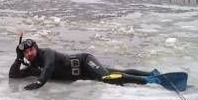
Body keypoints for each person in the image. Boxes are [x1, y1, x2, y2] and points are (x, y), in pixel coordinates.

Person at [9, 38, 155, 90]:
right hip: (83, 75)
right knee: (114, 73)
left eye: (31, 49)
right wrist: (18, 59)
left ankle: (148, 80)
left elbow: (49, 67)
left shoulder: (47, 53)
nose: (29, 53)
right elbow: (13, 76)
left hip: (85, 62)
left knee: (107, 78)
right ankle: (151, 73)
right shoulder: (32, 68)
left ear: (36, 47)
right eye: (26, 52)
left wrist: (39, 83)